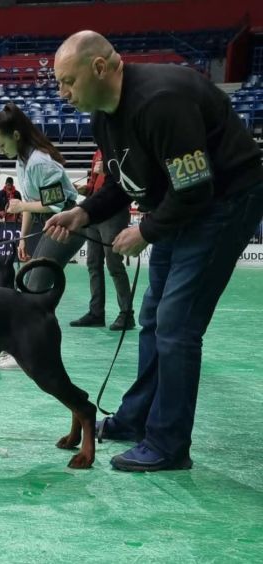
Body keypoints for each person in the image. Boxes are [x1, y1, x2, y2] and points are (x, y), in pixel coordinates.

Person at [45, 30, 263, 472]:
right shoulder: (104, 118)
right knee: (153, 317)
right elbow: (123, 182)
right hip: (179, 203)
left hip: (226, 201)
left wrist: (145, 231)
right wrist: (83, 213)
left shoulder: (160, 102)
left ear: (99, 68)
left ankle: (168, 444)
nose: (62, 93)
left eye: (68, 81)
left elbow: (196, 189)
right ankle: (137, 418)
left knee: (176, 323)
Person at [0, 102, 84, 369]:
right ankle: (26, 346)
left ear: (16, 135)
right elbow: (32, 203)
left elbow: (55, 204)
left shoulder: (40, 162)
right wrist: (22, 237)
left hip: (68, 222)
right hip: (48, 222)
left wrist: (21, 207)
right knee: (27, 284)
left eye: (1, 144)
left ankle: (30, 351)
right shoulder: (21, 160)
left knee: (36, 288)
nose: (0, 150)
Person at [70, 148, 135, 331]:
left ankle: (127, 314)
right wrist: (86, 190)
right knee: (93, 263)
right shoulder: (98, 152)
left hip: (114, 214)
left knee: (114, 264)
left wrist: (107, 169)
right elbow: (94, 185)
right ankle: (96, 313)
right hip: (95, 213)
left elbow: (128, 179)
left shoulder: (119, 148)